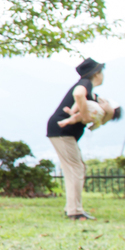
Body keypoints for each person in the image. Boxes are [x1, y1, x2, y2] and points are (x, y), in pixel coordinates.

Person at [46, 57, 110, 220]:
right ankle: (75, 211)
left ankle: (72, 208)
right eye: (101, 72)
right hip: (62, 130)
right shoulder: (85, 83)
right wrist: (87, 115)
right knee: (76, 168)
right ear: (96, 74)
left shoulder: (91, 92)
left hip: (60, 130)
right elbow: (78, 94)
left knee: (74, 167)